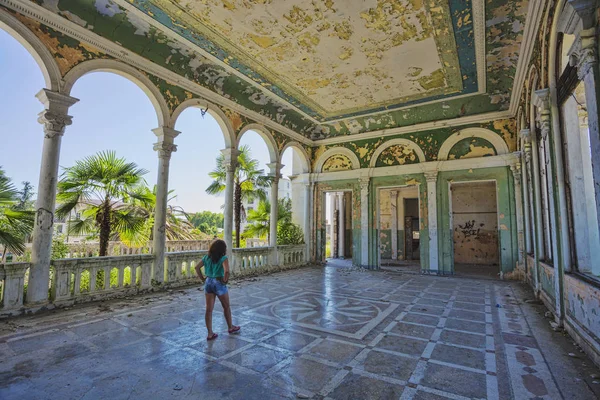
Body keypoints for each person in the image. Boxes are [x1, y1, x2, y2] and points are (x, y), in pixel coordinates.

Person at [195, 239, 241, 340]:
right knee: (226, 307)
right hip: (218, 282)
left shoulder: (207, 257)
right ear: (222, 249)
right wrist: (225, 281)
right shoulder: (223, 258)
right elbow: (227, 271)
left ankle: (210, 333)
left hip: (208, 282)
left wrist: (203, 279)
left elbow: (197, 267)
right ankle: (230, 327)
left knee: (209, 310)